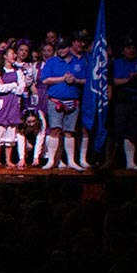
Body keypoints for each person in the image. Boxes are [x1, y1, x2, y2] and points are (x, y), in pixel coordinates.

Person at [38, 33, 89, 170]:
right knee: (55, 130)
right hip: (55, 101)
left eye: (64, 48)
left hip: (73, 101)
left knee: (69, 131)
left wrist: (75, 80)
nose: (62, 50)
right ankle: (52, 161)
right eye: (59, 48)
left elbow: (86, 80)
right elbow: (45, 79)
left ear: (69, 47)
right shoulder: (51, 62)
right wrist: (62, 78)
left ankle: (71, 161)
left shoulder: (78, 63)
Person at [111, 38, 137, 171]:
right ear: (123, 50)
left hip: (136, 100)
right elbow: (113, 81)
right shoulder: (117, 63)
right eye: (128, 47)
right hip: (121, 101)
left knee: (132, 132)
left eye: (133, 47)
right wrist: (128, 80)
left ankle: (130, 162)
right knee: (118, 131)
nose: (131, 50)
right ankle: (113, 161)